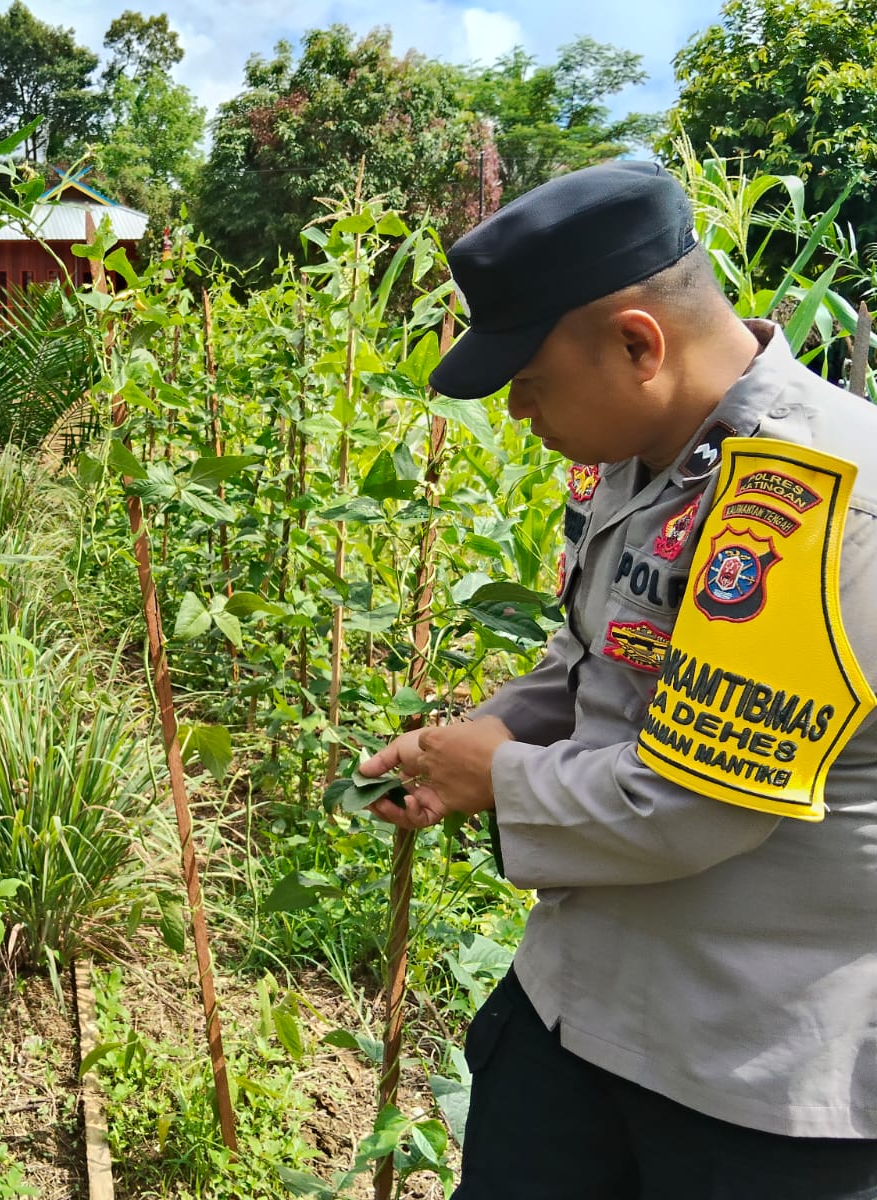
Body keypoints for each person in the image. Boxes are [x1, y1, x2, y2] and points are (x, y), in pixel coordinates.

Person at [358, 160, 877, 1198]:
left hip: (749, 1077)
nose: (514, 413)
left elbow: (692, 802)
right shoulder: (646, 458)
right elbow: (597, 652)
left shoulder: (813, 500)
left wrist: (493, 780)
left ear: (638, 344)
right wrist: (475, 734)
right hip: (584, 1003)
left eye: (529, 382)